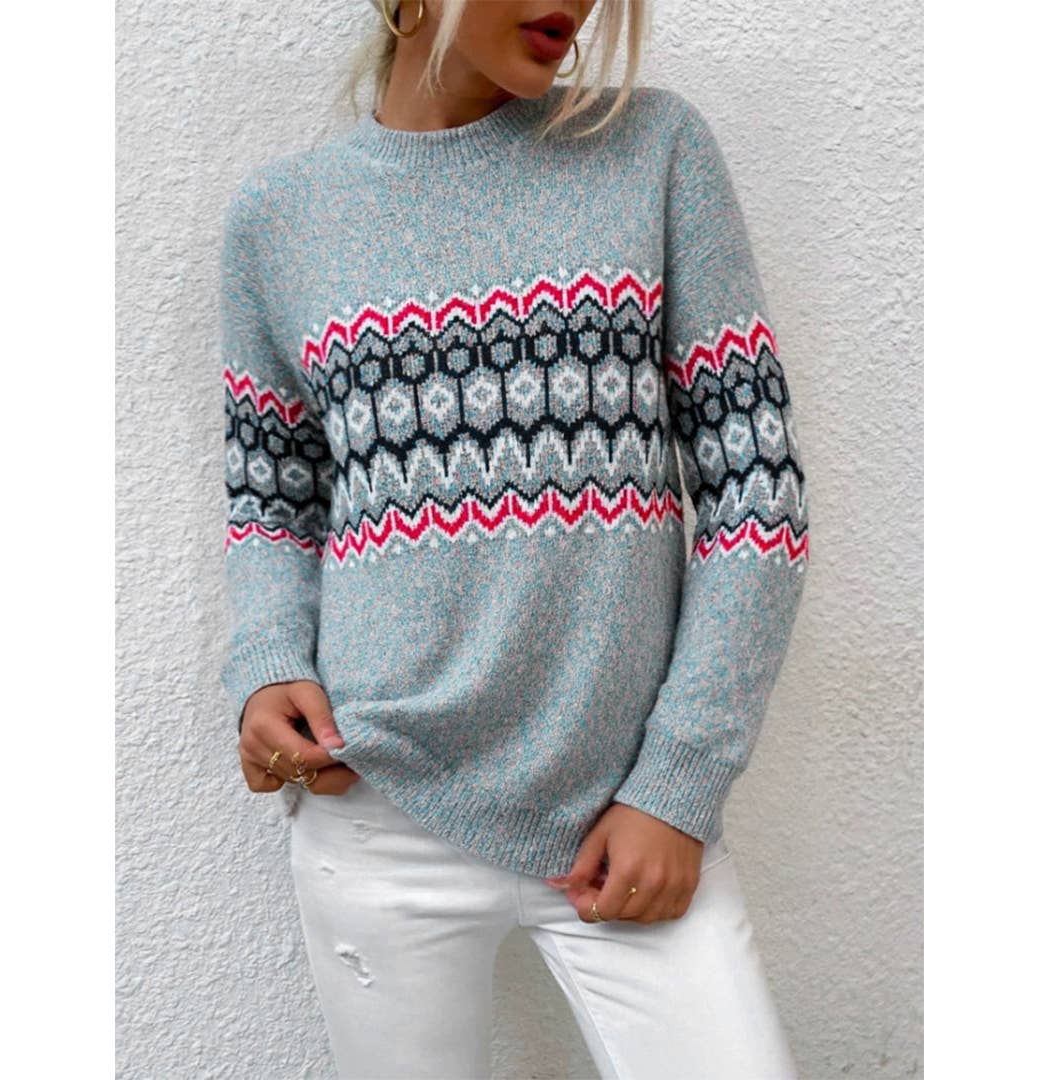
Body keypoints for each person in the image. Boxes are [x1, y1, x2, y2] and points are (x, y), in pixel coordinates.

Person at [219, 1, 810, 1076]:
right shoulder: (280, 219)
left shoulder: (652, 150)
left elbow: (756, 492)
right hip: (378, 806)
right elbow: (274, 497)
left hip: (627, 817)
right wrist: (267, 665)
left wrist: (678, 785)